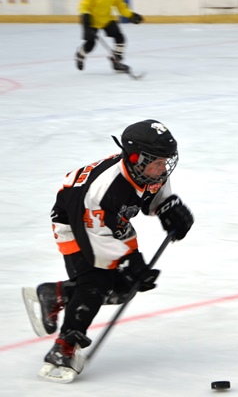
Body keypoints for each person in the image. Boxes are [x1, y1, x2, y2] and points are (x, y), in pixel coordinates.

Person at [33, 119, 195, 381]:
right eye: (156, 162)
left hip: (111, 221)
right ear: (135, 158)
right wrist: (130, 261)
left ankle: (57, 293)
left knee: (123, 287)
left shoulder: (149, 171)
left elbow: (153, 194)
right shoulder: (103, 188)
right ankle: (63, 348)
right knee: (95, 282)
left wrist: (167, 207)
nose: (162, 168)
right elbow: (96, 239)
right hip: (75, 224)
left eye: (165, 161)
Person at [75, 0, 144, 73]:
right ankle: (80, 54)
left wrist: (131, 15)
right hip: (91, 20)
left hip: (107, 19)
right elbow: (84, 3)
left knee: (120, 38)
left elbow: (121, 6)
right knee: (90, 44)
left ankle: (117, 61)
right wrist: (85, 15)